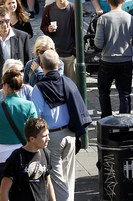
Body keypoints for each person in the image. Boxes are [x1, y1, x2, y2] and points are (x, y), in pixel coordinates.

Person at [31, 50, 92, 201]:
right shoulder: (68, 82)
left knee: (57, 181)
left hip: (51, 138)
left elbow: (36, 118)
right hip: (70, 135)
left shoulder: (39, 88)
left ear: (41, 66)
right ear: (59, 65)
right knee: (68, 178)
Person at [0, 69, 38, 187]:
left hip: (0, 154)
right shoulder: (29, 105)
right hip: (22, 153)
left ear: (6, 85)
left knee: (1, 192)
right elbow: (35, 132)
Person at [94, 0, 133, 118]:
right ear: (122, 1)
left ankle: (106, 120)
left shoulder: (103, 19)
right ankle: (125, 121)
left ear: (108, 1)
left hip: (107, 60)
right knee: (124, 93)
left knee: (104, 92)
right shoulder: (131, 18)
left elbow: (98, 43)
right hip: (125, 60)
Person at [0, 117, 55, 201]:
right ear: (31, 139)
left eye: (48, 135)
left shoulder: (46, 153)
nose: (48, 139)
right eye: (44, 136)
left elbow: (48, 184)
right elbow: (4, 191)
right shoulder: (16, 157)